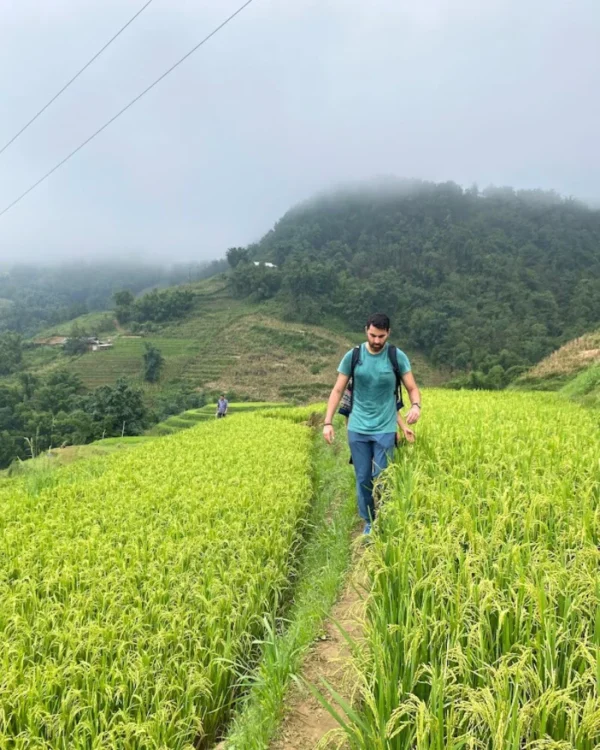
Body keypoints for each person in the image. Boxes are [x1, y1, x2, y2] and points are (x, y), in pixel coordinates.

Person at [323, 313, 421, 535]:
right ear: (365, 330)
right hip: (357, 428)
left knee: (382, 477)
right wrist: (328, 422)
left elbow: (412, 388)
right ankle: (369, 521)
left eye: (381, 336)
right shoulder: (353, 356)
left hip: (385, 428)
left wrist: (415, 406)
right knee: (363, 478)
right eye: (373, 335)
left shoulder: (397, 356)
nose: (377, 341)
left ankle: (384, 517)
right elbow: (337, 390)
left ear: (389, 333)